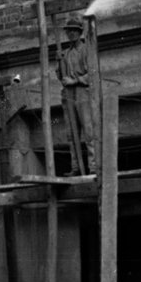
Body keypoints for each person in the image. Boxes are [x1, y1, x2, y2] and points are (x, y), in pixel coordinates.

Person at [56, 15, 97, 176]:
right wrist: (58, 63)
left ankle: (93, 167)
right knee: (71, 133)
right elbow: (61, 77)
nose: (71, 34)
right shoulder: (65, 54)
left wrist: (76, 80)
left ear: (80, 33)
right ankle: (76, 167)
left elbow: (93, 73)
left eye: (74, 31)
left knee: (88, 130)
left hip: (83, 92)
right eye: (69, 31)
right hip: (68, 95)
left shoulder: (87, 49)